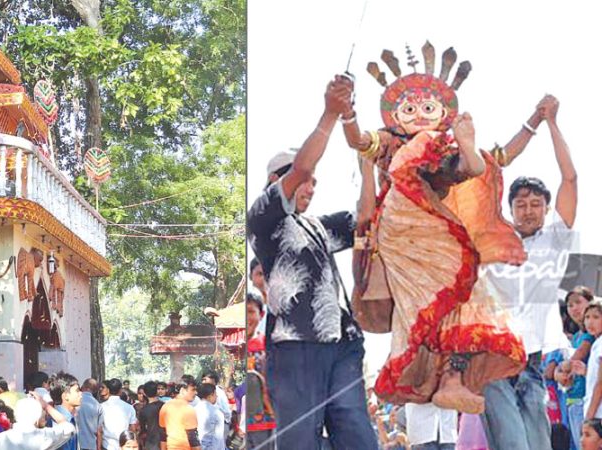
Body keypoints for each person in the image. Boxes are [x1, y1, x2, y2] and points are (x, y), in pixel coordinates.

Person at [336, 42, 527, 414]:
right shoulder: (390, 142)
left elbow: (482, 166)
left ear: (443, 111)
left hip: (442, 235)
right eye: (409, 109)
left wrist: (479, 142)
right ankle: (435, 377)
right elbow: (358, 140)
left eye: (428, 108)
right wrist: (346, 114)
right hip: (403, 233)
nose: (419, 115)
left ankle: (452, 379)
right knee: (444, 292)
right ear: (395, 114)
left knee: (468, 293)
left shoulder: (444, 146)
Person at [246, 74, 376, 449]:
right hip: (293, 347)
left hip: (342, 344)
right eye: (304, 180)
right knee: (300, 442)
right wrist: (330, 114)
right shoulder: (264, 217)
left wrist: (367, 159)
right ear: (275, 181)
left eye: (315, 181)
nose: (311, 185)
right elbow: (301, 168)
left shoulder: (318, 226)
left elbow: (365, 218)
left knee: (358, 437)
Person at [480, 91, 578, 449]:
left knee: (538, 443)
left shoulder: (554, 239)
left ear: (546, 208)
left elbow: (570, 179)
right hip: (492, 359)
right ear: (510, 209)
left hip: (533, 361)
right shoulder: (493, 238)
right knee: (512, 443)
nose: (528, 210)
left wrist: (552, 123)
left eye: (536, 204)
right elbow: (490, 170)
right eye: (520, 204)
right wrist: (532, 121)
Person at [557, 287, 596, 449]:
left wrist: (561, 369)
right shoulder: (576, 337)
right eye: (570, 305)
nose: (574, 308)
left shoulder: (589, 336)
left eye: (578, 302)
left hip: (584, 402)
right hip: (572, 400)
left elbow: (572, 361)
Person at [245, 291, 275, 450]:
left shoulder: (267, 345)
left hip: (263, 423)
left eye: (250, 312)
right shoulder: (233, 346)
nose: (246, 317)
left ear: (261, 314)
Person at [0, 395, 76, 450]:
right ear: (37, 419)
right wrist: (46, 406)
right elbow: (69, 427)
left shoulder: (0, 439)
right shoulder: (45, 435)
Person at [158, 379, 200, 450]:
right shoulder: (188, 409)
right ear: (183, 390)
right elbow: (192, 438)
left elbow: (163, 435)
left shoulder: (165, 406)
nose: (196, 393)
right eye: (193, 390)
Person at [101, 379, 137, 450]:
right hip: (124, 445)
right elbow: (133, 429)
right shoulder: (129, 408)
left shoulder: (101, 407)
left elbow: (99, 429)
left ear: (108, 390)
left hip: (107, 445)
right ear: (120, 391)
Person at [49, 374, 83, 450]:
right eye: (77, 390)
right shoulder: (54, 422)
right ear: (65, 396)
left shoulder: (71, 418)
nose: (81, 393)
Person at [194, 384, 224, 450]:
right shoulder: (217, 413)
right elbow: (218, 438)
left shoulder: (193, 410)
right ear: (211, 395)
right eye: (215, 394)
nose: (217, 396)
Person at [77, 378, 103, 450]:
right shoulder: (98, 406)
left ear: (83, 387)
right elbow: (99, 431)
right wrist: (99, 448)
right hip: (91, 445)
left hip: (77, 444)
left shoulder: (75, 401)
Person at [138, 382, 164, 450]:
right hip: (165, 442)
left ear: (145, 394)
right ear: (157, 392)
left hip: (151, 444)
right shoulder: (165, 406)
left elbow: (143, 429)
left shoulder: (143, 410)